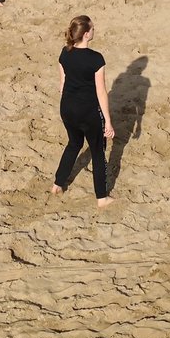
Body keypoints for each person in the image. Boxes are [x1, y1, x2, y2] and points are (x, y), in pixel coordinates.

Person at [52, 15, 115, 208]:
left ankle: (57, 184)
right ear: (86, 34)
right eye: (93, 28)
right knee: (98, 151)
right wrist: (108, 122)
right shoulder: (96, 59)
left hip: (67, 108)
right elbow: (101, 92)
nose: (95, 30)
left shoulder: (65, 52)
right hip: (87, 111)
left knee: (74, 143)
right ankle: (102, 198)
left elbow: (62, 84)